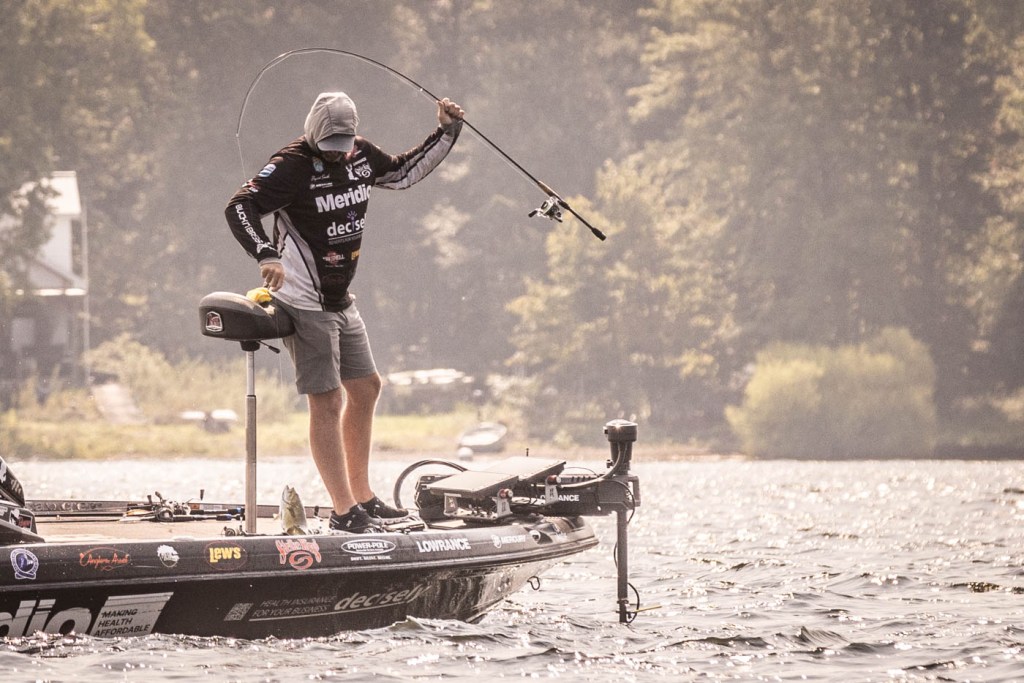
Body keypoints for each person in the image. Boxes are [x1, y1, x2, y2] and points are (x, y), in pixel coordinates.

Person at [225, 91, 465, 533]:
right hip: (303, 299)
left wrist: (447, 132)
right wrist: (265, 253)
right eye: (329, 145)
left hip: (340, 299)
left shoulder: (361, 155)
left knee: (367, 388)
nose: (337, 153)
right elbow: (239, 206)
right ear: (313, 133)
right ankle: (343, 511)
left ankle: (364, 497)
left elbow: (403, 173)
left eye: (343, 144)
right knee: (328, 399)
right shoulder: (291, 165)